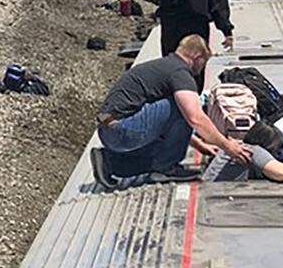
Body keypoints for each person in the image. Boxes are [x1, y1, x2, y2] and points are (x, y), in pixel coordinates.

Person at [94, 35, 251, 186]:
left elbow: (170, 122)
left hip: (108, 130)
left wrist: (199, 145)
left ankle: (110, 162)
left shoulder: (164, 66)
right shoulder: (180, 73)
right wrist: (228, 146)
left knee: (162, 147)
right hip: (123, 130)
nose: (203, 67)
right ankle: (166, 168)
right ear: (197, 56)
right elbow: (195, 118)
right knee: (187, 105)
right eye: (204, 61)